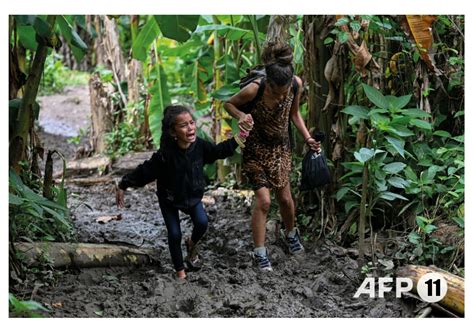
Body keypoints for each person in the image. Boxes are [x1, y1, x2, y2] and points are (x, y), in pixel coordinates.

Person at [115, 105, 250, 279]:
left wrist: (241, 136)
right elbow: (144, 172)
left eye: (192, 123)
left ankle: (191, 243)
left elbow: (218, 152)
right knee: (174, 233)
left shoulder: (199, 146)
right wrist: (123, 184)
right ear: (173, 132)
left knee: (202, 223)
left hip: (192, 197)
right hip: (169, 199)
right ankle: (180, 272)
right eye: (184, 125)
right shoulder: (165, 155)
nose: (191, 128)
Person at [224, 44, 321, 271]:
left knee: (286, 199)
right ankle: (259, 252)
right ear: (269, 83)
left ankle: (291, 234)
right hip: (255, 148)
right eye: (277, 92)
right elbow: (228, 104)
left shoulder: (295, 85)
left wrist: (307, 138)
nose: (281, 97)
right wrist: (240, 115)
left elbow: (294, 114)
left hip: (280, 148)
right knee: (264, 201)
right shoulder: (254, 89)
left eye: (285, 92)